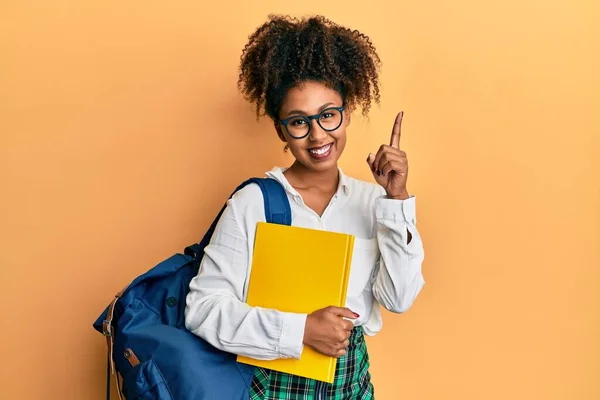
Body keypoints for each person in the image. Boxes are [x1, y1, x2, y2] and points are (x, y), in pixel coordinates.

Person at [185, 14, 425, 399]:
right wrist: (301, 331)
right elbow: (203, 309)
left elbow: (398, 299)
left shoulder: (373, 202)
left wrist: (396, 200)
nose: (317, 135)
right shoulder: (254, 202)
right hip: (271, 387)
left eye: (328, 115)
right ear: (281, 129)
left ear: (347, 112)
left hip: (352, 387)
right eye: (299, 121)